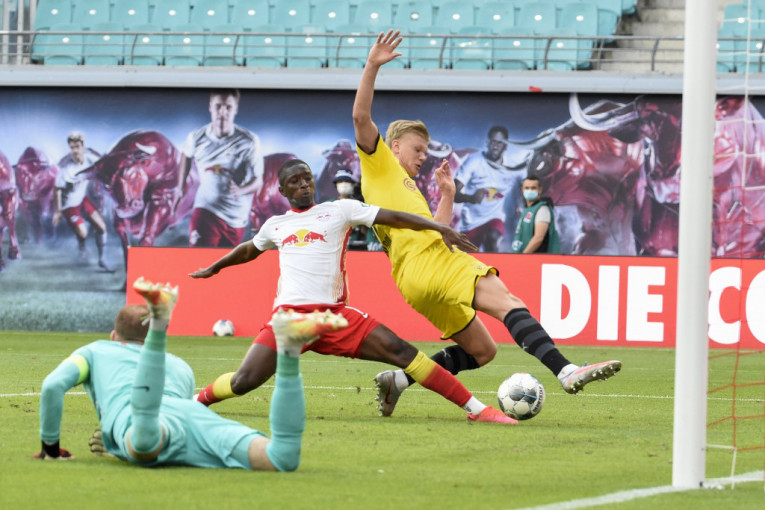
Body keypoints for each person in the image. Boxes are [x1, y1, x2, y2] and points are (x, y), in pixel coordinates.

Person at [352, 30, 621, 417]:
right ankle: (565, 370)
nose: (423, 156)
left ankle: (398, 381)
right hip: (431, 266)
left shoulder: (403, 189)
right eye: (417, 149)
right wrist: (372, 65)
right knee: (508, 302)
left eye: (426, 150)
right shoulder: (380, 166)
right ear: (394, 146)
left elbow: (435, 233)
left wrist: (447, 195)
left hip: (414, 281)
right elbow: (361, 117)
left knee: (482, 350)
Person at [190, 159, 517, 424]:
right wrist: (215, 267)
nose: (303, 185)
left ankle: (477, 409)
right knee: (244, 381)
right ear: (282, 189)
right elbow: (249, 249)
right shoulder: (275, 224)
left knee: (402, 351)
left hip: (334, 316)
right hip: (288, 320)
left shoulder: (340, 209)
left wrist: (437, 226)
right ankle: (194, 402)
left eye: (307, 179)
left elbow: (394, 217)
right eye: (295, 181)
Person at [34, 276, 347, 471]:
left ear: (114, 336)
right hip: (194, 418)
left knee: (145, 441)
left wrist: (51, 449)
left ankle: (160, 322)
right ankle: (289, 352)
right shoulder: (178, 365)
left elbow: (52, 386)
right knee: (282, 458)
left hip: (142, 425)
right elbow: (179, 415)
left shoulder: (96, 350)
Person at [180, 89, 264, 248]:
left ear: (235, 109)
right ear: (210, 107)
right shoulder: (196, 137)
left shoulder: (249, 141)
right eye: (218, 106)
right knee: (199, 261)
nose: (222, 112)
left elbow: (257, 182)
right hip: (206, 210)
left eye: (228, 107)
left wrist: (241, 190)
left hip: (236, 218)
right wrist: (180, 187)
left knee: (225, 263)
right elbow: (185, 155)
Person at [454, 126, 526, 253]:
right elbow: (452, 193)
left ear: (506, 146)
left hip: (495, 219)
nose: (495, 146)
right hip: (471, 223)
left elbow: (528, 184)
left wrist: (520, 203)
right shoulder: (474, 161)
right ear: (487, 143)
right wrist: (470, 198)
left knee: (491, 238)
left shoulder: (513, 167)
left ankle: (494, 266)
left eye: (500, 143)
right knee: (466, 259)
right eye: (493, 141)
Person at [52, 131, 113, 272]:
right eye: (72, 147)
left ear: (83, 146)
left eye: (77, 147)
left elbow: (104, 165)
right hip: (69, 206)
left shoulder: (90, 160)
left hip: (82, 200)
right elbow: (57, 190)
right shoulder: (66, 169)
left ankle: (102, 259)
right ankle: (82, 244)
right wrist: (58, 212)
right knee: (83, 233)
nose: (75, 151)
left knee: (102, 227)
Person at [511, 176, 560, 254]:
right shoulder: (527, 210)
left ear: (540, 190)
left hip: (536, 258)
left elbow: (538, 238)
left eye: (533, 188)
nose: (529, 190)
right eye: (527, 188)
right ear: (522, 189)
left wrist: (522, 257)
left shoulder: (542, 209)